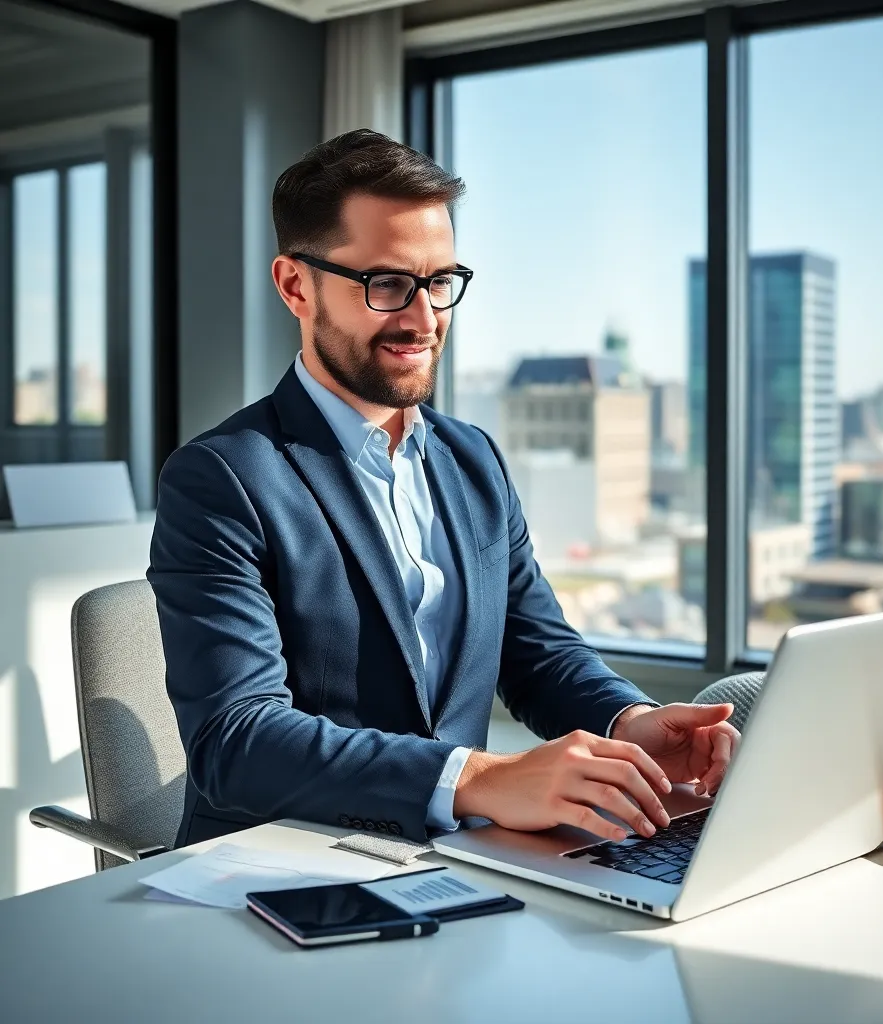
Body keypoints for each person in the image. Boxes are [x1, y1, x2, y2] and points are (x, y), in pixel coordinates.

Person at [149, 129, 739, 848]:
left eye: (440, 283)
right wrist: (477, 780)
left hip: (460, 862)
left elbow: (537, 650)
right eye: (387, 283)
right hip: (279, 871)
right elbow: (236, 742)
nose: (425, 318)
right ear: (295, 286)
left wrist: (628, 720)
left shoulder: (471, 458)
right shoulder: (222, 479)